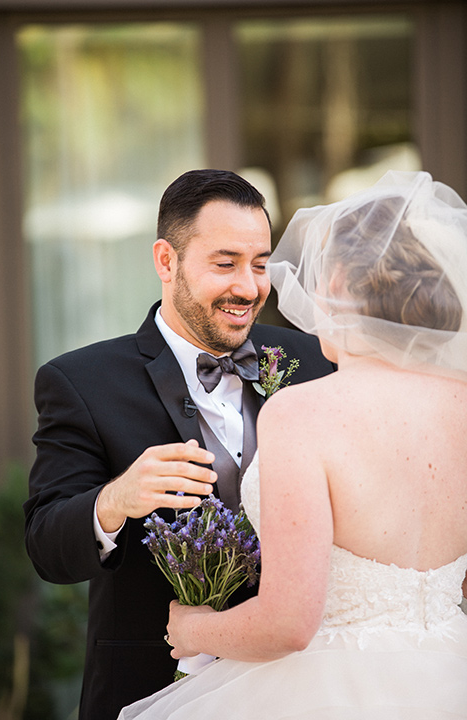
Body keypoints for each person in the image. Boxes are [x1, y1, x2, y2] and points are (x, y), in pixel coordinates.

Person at [117, 170, 467, 720]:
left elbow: (288, 624)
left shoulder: (302, 412)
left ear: (343, 285)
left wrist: (193, 627)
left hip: (330, 691)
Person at [24, 168, 334, 720]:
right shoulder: (80, 381)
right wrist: (115, 500)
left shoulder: (310, 359)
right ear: (166, 261)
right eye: (225, 263)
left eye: (260, 264)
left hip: (302, 683)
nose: (250, 287)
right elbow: (46, 546)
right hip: (151, 686)